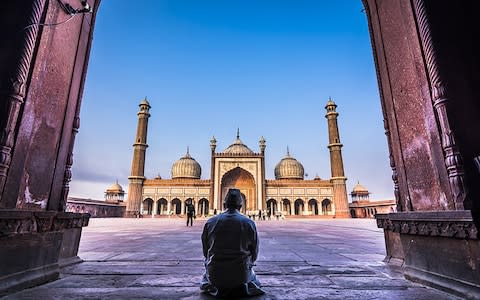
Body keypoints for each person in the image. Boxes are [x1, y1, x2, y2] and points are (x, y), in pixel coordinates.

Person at [200, 189, 265, 297]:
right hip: (241, 275)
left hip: (215, 275)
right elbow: (254, 254)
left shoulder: (211, 222)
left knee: (205, 278)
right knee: (254, 279)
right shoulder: (248, 223)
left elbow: (205, 251)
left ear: (224, 204)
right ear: (240, 206)